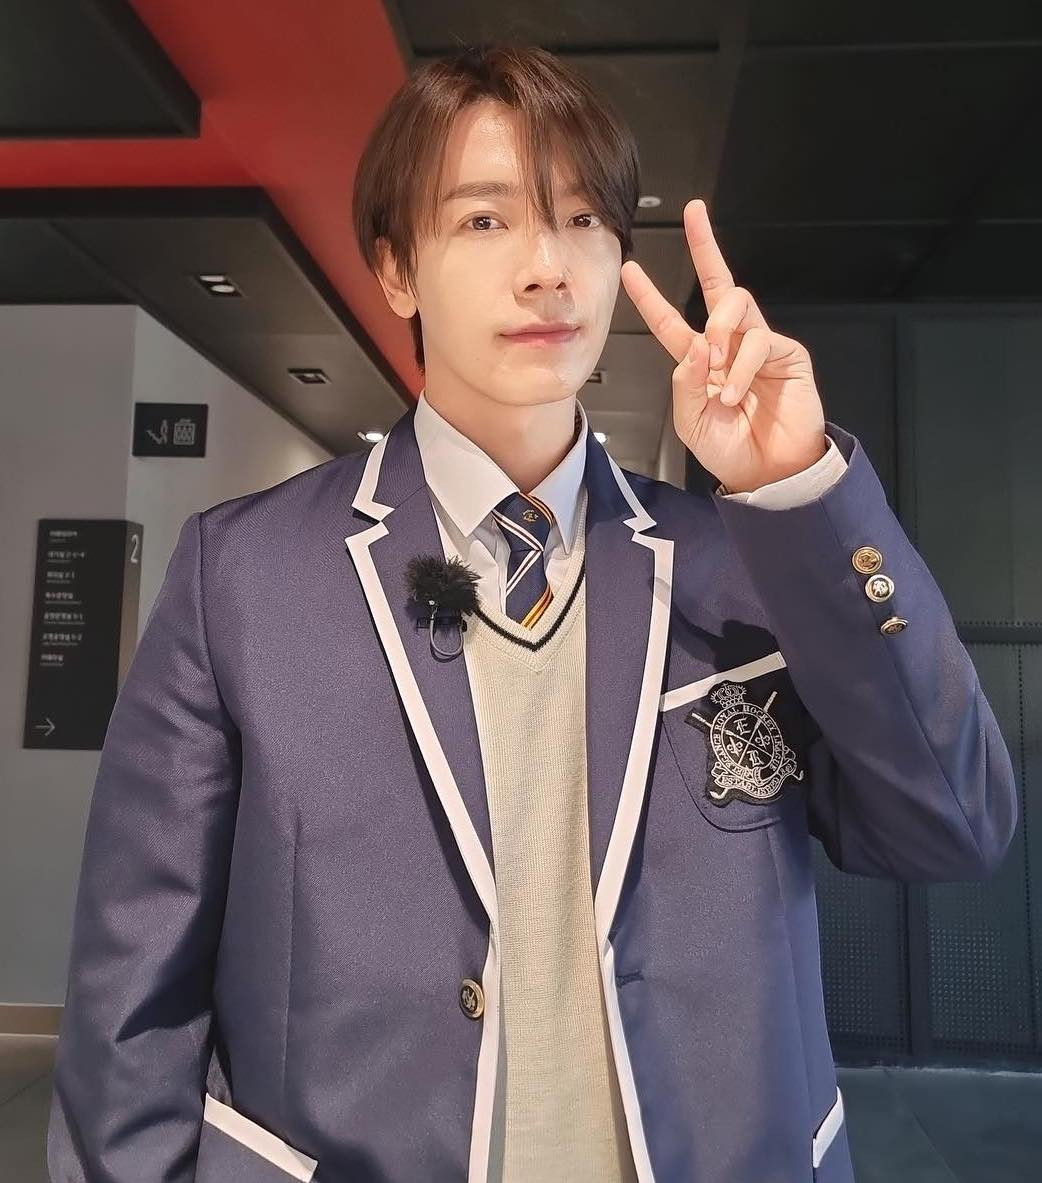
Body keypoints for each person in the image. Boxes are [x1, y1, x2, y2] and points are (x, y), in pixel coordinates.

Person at [47, 44, 1018, 1183]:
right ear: (396, 268)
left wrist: (803, 493)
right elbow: (130, 1006)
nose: (547, 267)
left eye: (581, 221)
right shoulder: (245, 577)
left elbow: (953, 823)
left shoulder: (742, 559)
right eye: (484, 220)